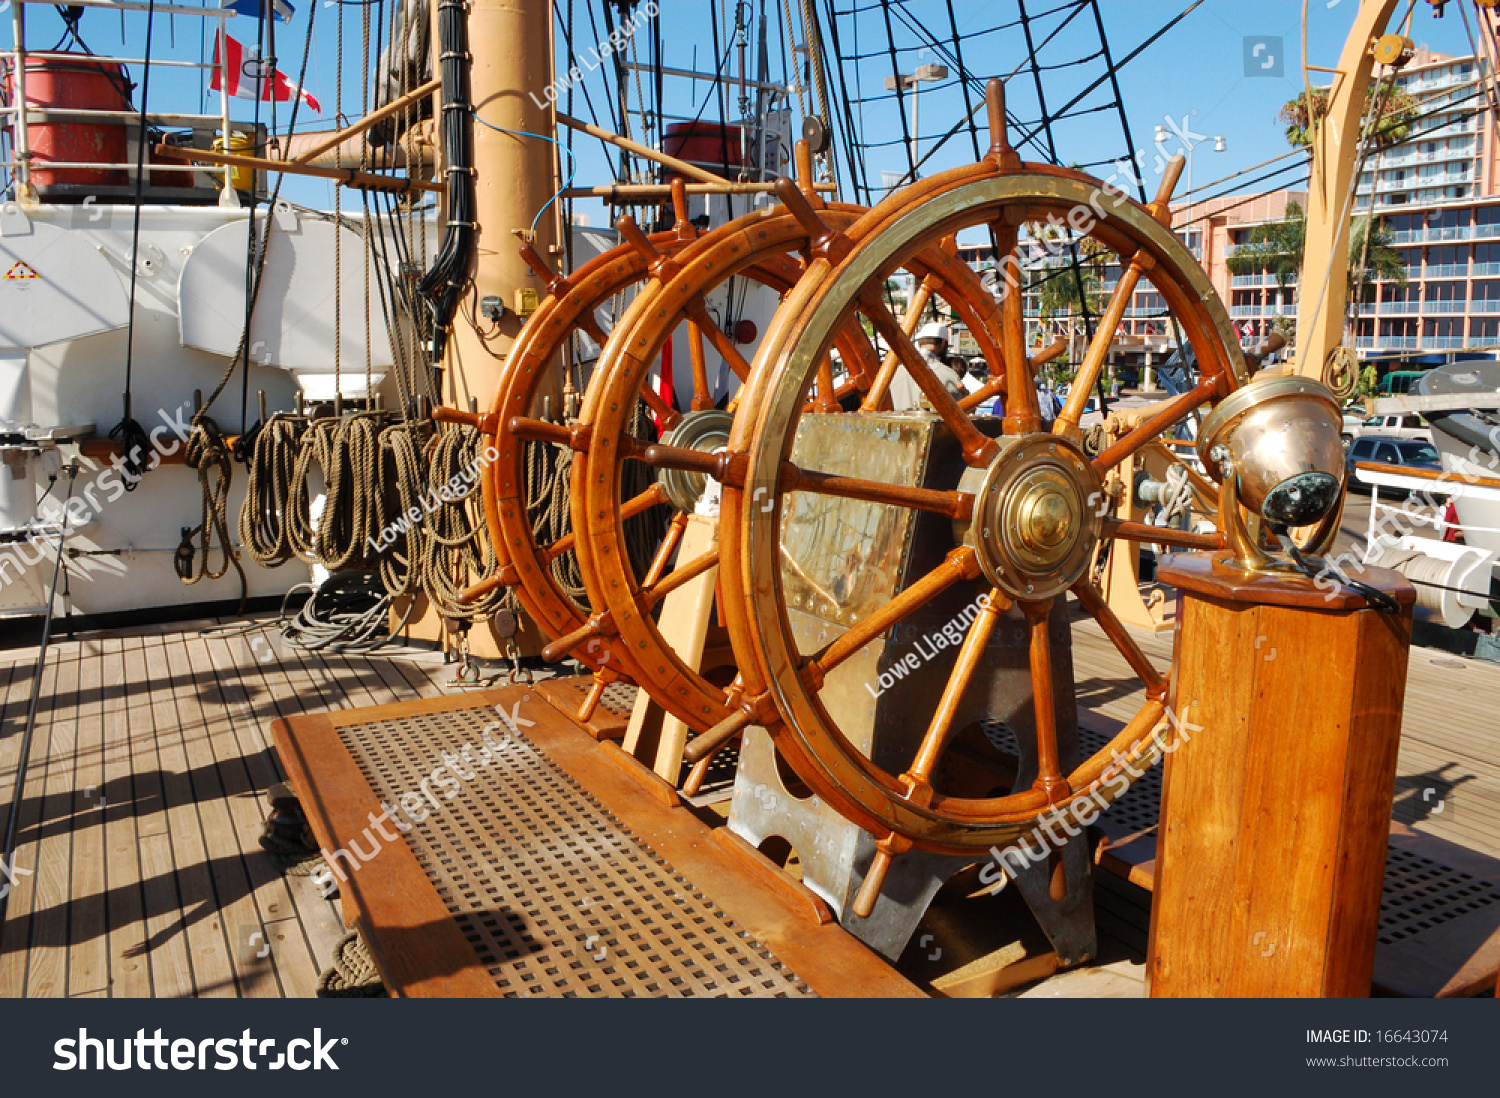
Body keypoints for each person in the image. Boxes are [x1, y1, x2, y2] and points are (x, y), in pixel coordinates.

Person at [889, 322, 965, 411]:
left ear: (919, 343)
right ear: (943, 343)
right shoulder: (949, 375)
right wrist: (965, 394)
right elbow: (961, 411)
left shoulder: (892, 372)